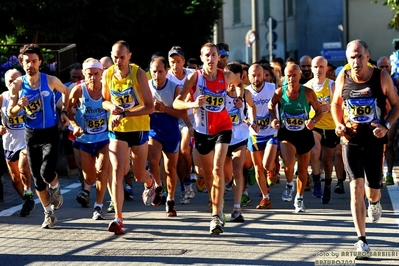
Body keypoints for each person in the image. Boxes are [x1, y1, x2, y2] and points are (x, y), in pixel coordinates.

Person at [331, 39, 399, 259]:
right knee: (356, 187)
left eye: (360, 56)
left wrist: (386, 125)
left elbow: (397, 105)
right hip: (350, 141)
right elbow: (335, 103)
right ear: (347, 59)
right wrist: (338, 124)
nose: (356, 61)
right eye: (352, 57)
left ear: (368, 56)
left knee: (373, 191)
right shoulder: (344, 76)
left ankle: (376, 202)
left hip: (374, 141)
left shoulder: (381, 77)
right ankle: (361, 240)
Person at [173, 42, 244, 234]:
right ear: (202, 57)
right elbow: (176, 102)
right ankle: (218, 209)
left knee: (218, 168)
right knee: (209, 174)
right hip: (203, 131)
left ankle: (215, 218)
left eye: (214, 55)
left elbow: (240, 84)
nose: (211, 59)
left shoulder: (225, 75)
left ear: (219, 57)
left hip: (223, 127)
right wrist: (192, 104)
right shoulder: (194, 77)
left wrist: (238, 98)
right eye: (207, 56)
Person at [8, 43, 69, 228]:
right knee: (37, 179)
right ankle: (49, 214)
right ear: (22, 62)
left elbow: (66, 92)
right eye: (27, 61)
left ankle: (56, 188)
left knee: (46, 172)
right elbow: (11, 112)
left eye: (34, 61)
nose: (30, 65)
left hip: (50, 132)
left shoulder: (50, 80)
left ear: (40, 62)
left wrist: (64, 112)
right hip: (31, 134)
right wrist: (20, 105)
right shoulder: (17, 85)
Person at [102, 40, 155, 235]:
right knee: (117, 170)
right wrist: (113, 109)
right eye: (115, 57)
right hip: (117, 129)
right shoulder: (108, 74)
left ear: (129, 56)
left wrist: (125, 113)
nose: (118, 61)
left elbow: (150, 106)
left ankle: (150, 183)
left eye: (122, 57)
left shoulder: (138, 73)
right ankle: (118, 218)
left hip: (138, 127)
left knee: (139, 174)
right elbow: (104, 100)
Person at [268, 64, 322, 213]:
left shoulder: (308, 93)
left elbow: (319, 111)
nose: (291, 79)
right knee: (289, 163)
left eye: (294, 75)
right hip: (287, 134)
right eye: (288, 76)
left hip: (304, 134)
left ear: (300, 76)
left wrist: (313, 121)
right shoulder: (280, 92)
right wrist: (274, 119)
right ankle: (289, 184)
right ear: (285, 76)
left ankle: (299, 198)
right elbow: (270, 106)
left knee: (303, 169)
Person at [68, 58, 110, 220]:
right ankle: (89, 191)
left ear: (101, 74)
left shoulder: (107, 90)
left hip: (104, 138)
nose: (93, 77)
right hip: (85, 140)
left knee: (102, 171)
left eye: (96, 74)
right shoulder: (78, 90)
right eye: (89, 74)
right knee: (90, 177)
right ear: (84, 75)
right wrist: (74, 125)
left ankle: (98, 206)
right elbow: (67, 112)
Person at [148, 56, 187, 216]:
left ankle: (170, 200)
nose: (157, 75)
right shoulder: (146, 87)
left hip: (171, 130)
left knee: (170, 168)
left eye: (160, 71)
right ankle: (158, 186)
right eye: (154, 72)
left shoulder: (175, 88)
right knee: (153, 160)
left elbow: (183, 112)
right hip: (154, 129)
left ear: (166, 71)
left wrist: (165, 109)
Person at [304, 56, 339, 204]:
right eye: (315, 67)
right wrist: (307, 120)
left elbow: (341, 106)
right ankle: (317, 181)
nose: (318, 70)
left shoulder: (332, 86)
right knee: (315, 151)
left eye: (321, 67)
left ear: (326, 69)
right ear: (311, 69)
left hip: (331, 127)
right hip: (315, 125)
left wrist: (330, 107)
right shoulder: (307, 87)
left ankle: (328, 184)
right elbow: (303, 109)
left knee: (327, 160)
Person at [224, 62, 257, 221]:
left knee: (237, 171)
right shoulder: (220, 92)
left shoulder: (246, 94)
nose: (228, 80)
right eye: (226, 76)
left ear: (239, 77)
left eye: (232, 77)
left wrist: (252, 120)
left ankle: (237, 209)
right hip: (222, 138)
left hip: (240, 137)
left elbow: (251, 107)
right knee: (226, 175)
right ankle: (226, 188)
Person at [0, 69, 35, 217]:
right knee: (15, 178)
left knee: (23, 166)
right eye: (10, 81)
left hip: (25, 141)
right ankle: (27, 200)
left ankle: (28, 191)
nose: (14, 84)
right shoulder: (2, 98)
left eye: (16, 81)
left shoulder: (28, 96)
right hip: (9, 143)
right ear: (6, 83)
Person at [247, 63, 279, 209]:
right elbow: (241, 114)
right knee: (258, 168)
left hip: (271, 132)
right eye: (253, 75)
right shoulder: (246, 92)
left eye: (259, 75)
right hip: (255, 134)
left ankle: (273, 169)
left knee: (266, 164)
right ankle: (265, 197)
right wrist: (250, 123)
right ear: (248, 77)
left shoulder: (272, 88)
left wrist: (276, 120)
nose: (256, 78)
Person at [166, 46, 196, 204]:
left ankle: (190, 179)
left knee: (185, 151)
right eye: (172, 62)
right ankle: (185, 185)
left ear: (184, 61)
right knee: (176, 157)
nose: (175, 65)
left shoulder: (192, 75)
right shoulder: (167, 77)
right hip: (173, 117)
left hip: (191, 118)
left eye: (178, 61)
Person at [377, 56, 398, 186]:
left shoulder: (396, 81)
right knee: (379, 147)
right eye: (382, 66)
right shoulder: (374, 80)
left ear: (391, 67)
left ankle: (389, 173)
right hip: (378, 118)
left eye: (387, 66)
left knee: (389, 144)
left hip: (393, 117)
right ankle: (378, 174)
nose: (384, 69)